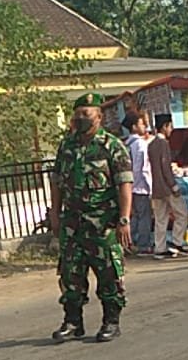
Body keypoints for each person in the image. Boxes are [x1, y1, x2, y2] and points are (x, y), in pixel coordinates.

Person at [48, 93, 133, 343]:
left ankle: (111, 321)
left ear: (99, 116)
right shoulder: (67, 145)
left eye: (86, 113)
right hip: (73, 223)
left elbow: (124, 184)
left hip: (103, 223)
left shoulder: (111, 146)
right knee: (70, 274)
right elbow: (57, 181)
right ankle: (73, 322)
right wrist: (54, 212)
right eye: (78, 114)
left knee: (108, 273)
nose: (81, 118)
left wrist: (124, 219)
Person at [148, 114, 188, 258]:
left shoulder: (151, 144)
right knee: (182, 213)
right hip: (167, 187)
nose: (171, 130)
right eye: (170, 126)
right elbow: (165, 167)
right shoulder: (163, 144)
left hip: (156, 188)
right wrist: (173, 186)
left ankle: (159, 248)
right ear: (165, 126)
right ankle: (177, 241)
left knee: (161, 219)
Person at [123, 114, 155, 254]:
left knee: (136, 215)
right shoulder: (140, 144)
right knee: (144, 216)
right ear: (134, 127)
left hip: (130, 186)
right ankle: (143, 244)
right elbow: (142, 168)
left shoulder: (127, 143)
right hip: (140, 185)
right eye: (142, 124)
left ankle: (129, 242)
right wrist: (150, 186)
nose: (145, 127)